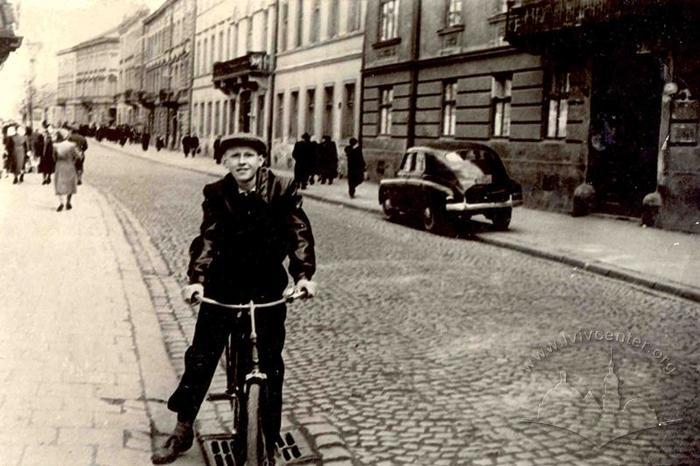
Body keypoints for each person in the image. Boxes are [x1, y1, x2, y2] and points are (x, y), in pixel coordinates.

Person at [151, 134, 317, 465]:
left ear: (261, 160)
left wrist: (303, 277)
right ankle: (183, 429)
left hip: (267, 286)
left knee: (270, 365)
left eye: (248, 155)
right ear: (225, 162)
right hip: (223, 284)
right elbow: (208, 238)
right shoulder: (216, 193)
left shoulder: (283, 189)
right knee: (201, 355)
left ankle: (265, 444)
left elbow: (298, 233)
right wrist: (197, 281)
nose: (241, 161)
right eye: (234, 156)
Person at [52, 128, 82, 212]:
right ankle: (68, 202)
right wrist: (74, 160)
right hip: (70, 165)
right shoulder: (72, 145)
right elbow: (78, 156)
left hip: (60, 165)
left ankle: (61, 202)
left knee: (59, 183)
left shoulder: (55, 146)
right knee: (70, 183)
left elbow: (54, 157)